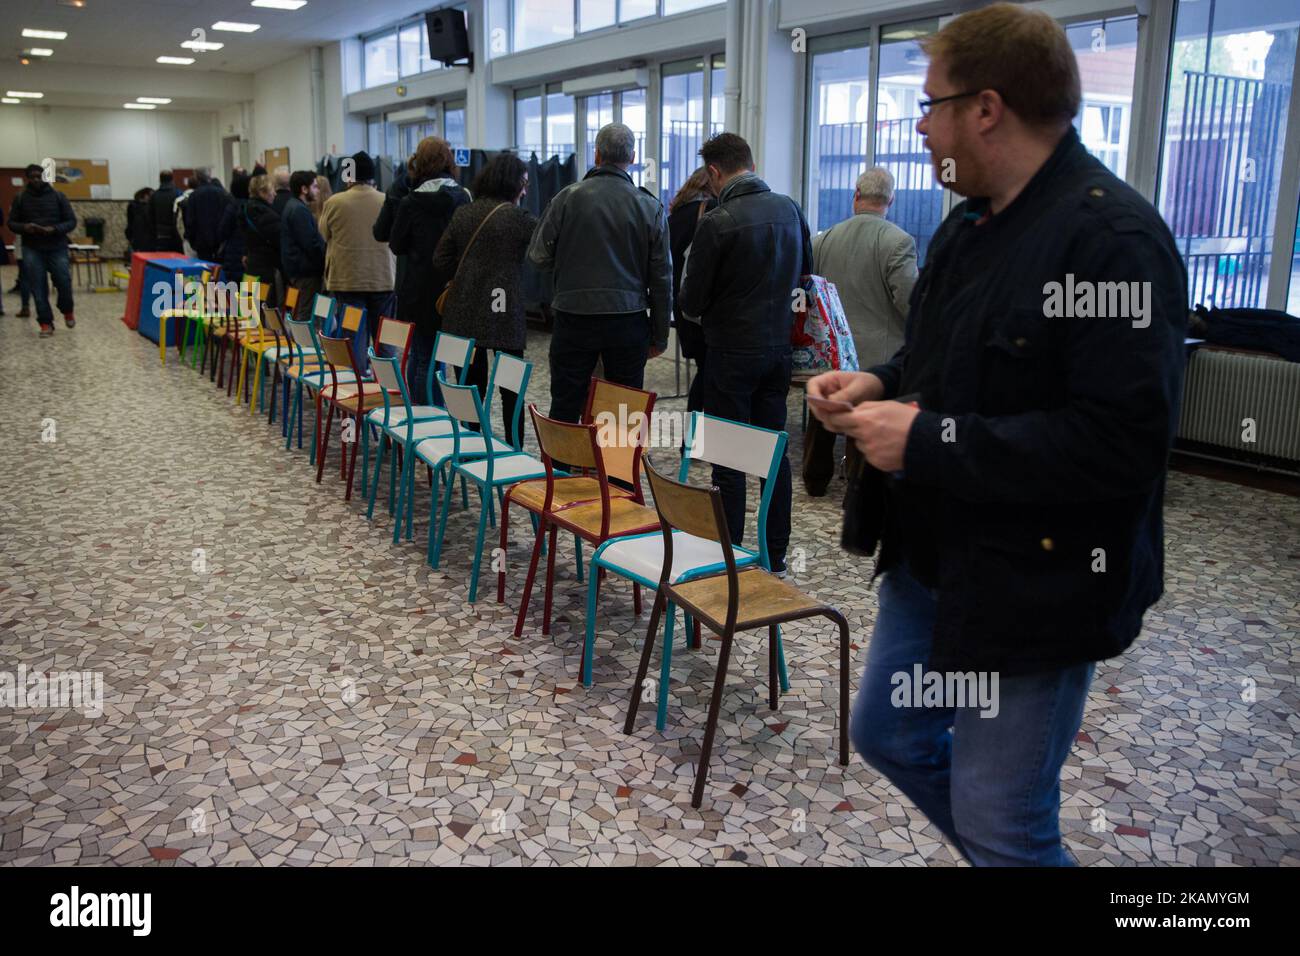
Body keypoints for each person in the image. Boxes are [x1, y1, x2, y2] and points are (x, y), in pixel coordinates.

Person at [807, 3, 1188, 867]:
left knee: (1001, 815)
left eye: (931, 102)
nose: (920, 124)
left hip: (1039, 586)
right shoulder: (968, 225)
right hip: (935, 561)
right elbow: (937, 356)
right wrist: (881, 383)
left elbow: (1119, 445)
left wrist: (928, 441)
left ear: (986, 108)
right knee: (892, 735)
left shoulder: (1111, 242)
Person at [678, 132, 811, 577]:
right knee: (774, 452)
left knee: (730, 458)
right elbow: (807, 277)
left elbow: (691, 302)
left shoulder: (718, 222)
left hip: (731, 354)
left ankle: (729, 553)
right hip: (778, 352)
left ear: (714, 172)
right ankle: (775, 556)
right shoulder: (790, 209)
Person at [527, 123, 672, 424]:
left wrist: (569, 264)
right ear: (632, 157)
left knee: (565, 405)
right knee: (624, 412)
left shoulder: (566, 199)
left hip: (573, 317)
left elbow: (538, 256)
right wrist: (659, 334)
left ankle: (563, 470)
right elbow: (661, 279)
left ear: (596, 155)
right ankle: (617, 472)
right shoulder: (649, 206)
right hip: (628, 320)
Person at [803, 166, 918, 497]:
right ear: (890, 200)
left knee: (824, 414)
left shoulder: (823, 239)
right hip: (876, 354)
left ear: (856, 195)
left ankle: (814, 479)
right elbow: (909, 302)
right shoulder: (898, 242)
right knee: (862, 422)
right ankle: (855, 487)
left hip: (831, 350)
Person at [433, 152, 538, 439]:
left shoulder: (463, 212)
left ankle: (470, 450)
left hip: (463, 315)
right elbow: (545, 252)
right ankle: (513, 450)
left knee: (469, 390)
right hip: (505, 317)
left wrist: (469, 276)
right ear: (512, 183)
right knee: (511, 391)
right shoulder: (519, 218)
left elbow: (440, 260)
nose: (526, 190)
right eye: (524, 183)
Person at [388, 137, 471, 403]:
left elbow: (396, 244)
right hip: (451, 288)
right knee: (446, 359)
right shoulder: (463, 197)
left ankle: (420, 417)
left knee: (421, 356)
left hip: (417, 288)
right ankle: (434, 416)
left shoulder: (409, 202)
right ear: (449, 161)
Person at [319, 151, 394, 362]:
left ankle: (356, 388)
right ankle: (385, 389)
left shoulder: (334, 202)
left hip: (348, 282)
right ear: (373, 176)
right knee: (384, 339)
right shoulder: (386, 200)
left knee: (353, 338)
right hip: (383, 280)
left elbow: (324, 235)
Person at [667, 167, 718, 421]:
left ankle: (693, 439)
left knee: (705, 369)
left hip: (683, 304)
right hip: (705, 307)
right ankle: (692, 440)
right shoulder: (711, 213)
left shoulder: (676, 214)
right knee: (710, 372)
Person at [8, 163, 77, 337]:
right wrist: (25, 227)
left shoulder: (58, 196)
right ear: (27, 179)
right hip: (32, 247)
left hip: (57, 246)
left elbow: (71, 221)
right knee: (38, 287)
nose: (36, 180)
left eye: (39, 176)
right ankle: (46, 323)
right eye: (32, 177)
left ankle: (67, 309)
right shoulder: (20, 198)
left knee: (64, 281)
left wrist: (54, 229)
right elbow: (11, 223)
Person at [279, 170, 327, 323]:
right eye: (314, 187)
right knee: (305, 315)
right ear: (304, 189)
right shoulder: (299, 210)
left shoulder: (293, 206)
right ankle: (304, 345)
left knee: (303, 311)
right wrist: (323, 260)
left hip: (300, 269)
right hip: (306, 272)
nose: (317, 190)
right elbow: (310, 243)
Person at [373, 160, 412, 322]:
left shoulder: (396, 194)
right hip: (443, 286)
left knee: (353, 334)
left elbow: (382, 234)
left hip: (405, 280)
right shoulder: (460, 195)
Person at [240, 175, 282, 307]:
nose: (275, 194)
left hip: (252, 264)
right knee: (268, 306)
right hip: (267, 266)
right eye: (272, 190)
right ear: (262, 192)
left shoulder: (245, 209)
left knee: (253, 306)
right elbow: (279, 240)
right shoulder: (266, 214)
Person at [182, 168, 228, 263]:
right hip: (219, 239)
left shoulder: (194, 196)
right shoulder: (222, 193)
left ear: (197, 178)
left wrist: (192, 240)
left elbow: (190, 221)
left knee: (204, 269)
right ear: (209, 177)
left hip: (201, 241)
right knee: (218, 269)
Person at [216, 173, 251, 283]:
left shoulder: (232, 207)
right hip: (251, 255)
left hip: (233, 255)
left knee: (234, 292)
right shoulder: (256, 206)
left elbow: (222, 232)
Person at [150, 170, 184, 253]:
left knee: (162, 257)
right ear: (172, 179)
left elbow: (150, 215)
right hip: (176, 232)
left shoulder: (155, 195)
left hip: (160, 231)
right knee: (177, 257)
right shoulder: (178, 193)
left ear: (160, 180)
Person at [126, 187, 156, 254]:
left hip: (136, 237)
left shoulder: (132, 206)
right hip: (146, 238)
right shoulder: (147, 208)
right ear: (145, 196)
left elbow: (130, 223)